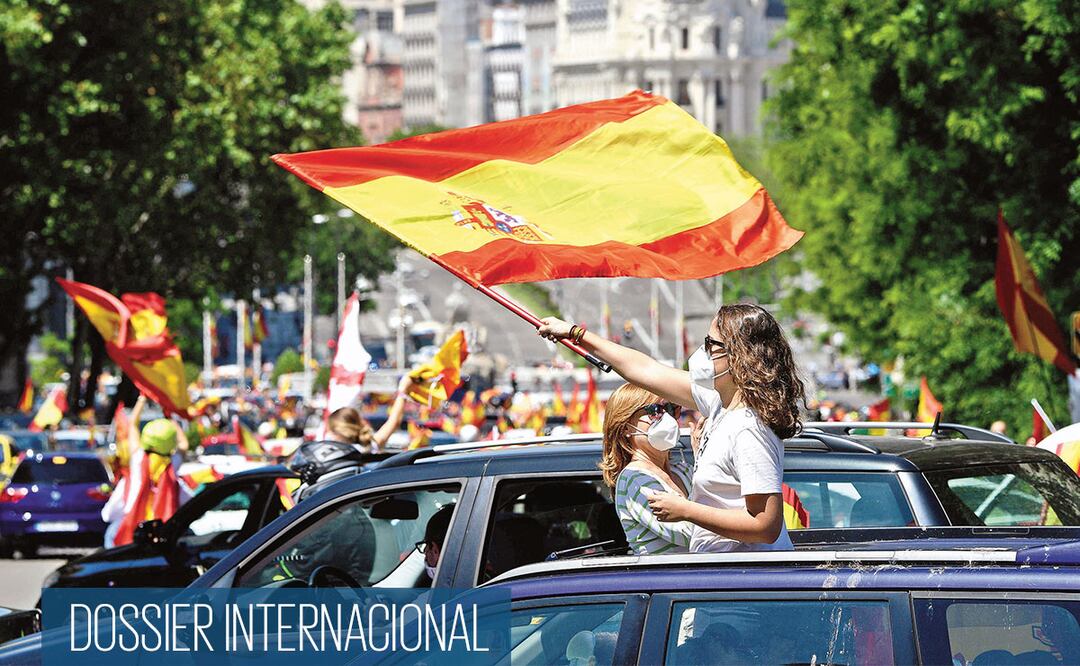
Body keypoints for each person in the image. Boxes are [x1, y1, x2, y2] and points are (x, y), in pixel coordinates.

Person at [539, 303, 804, 551]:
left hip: (746, 588)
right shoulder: (719, 405)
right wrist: (575, 333)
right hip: (728, 583)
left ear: (739, 357)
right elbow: (645, 370)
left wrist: (686, 510)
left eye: (710, 343)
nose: (704, 352)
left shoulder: (749, 428)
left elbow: (765, 526)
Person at [601, 382, 695, 554]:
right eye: (655, 411)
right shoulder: (634, 479)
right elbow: (690, 535)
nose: (667, 417)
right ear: (625, 426)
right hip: (671, 579)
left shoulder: (683, 470)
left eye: (671, 408)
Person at [104, 395, 192, 547]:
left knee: (111, 537)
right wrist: (170, 418)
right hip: (164, 531)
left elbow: (132, 425)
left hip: (132, 530)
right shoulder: (171, 464)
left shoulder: (138, 460)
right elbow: (184, 444)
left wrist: (142, 399)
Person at [325, 376, 414, 454]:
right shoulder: (370, 446)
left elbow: (394, 421)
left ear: (340, 431)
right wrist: (403, 391)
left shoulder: (330, 454)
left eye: (331, 431)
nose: (328, 435)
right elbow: (394, 421)